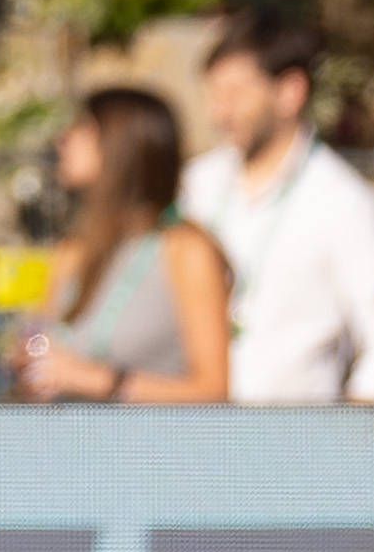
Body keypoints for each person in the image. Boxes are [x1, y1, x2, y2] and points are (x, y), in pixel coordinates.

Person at [178, 13, 374, 403]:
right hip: (194, 433)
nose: (220, 113)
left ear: (290, 92)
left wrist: (355, 437)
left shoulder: (345, 201)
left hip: (294, 442)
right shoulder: (197, 184)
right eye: (214, 95)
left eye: (235, 94)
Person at [13, 87, 233, 403]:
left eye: (82, 128)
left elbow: (214, 391)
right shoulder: (73, 251)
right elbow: (42, 346)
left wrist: (96, 380)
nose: (64, 139)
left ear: (120, 147)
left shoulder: (185, 250)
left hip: (152, 448)